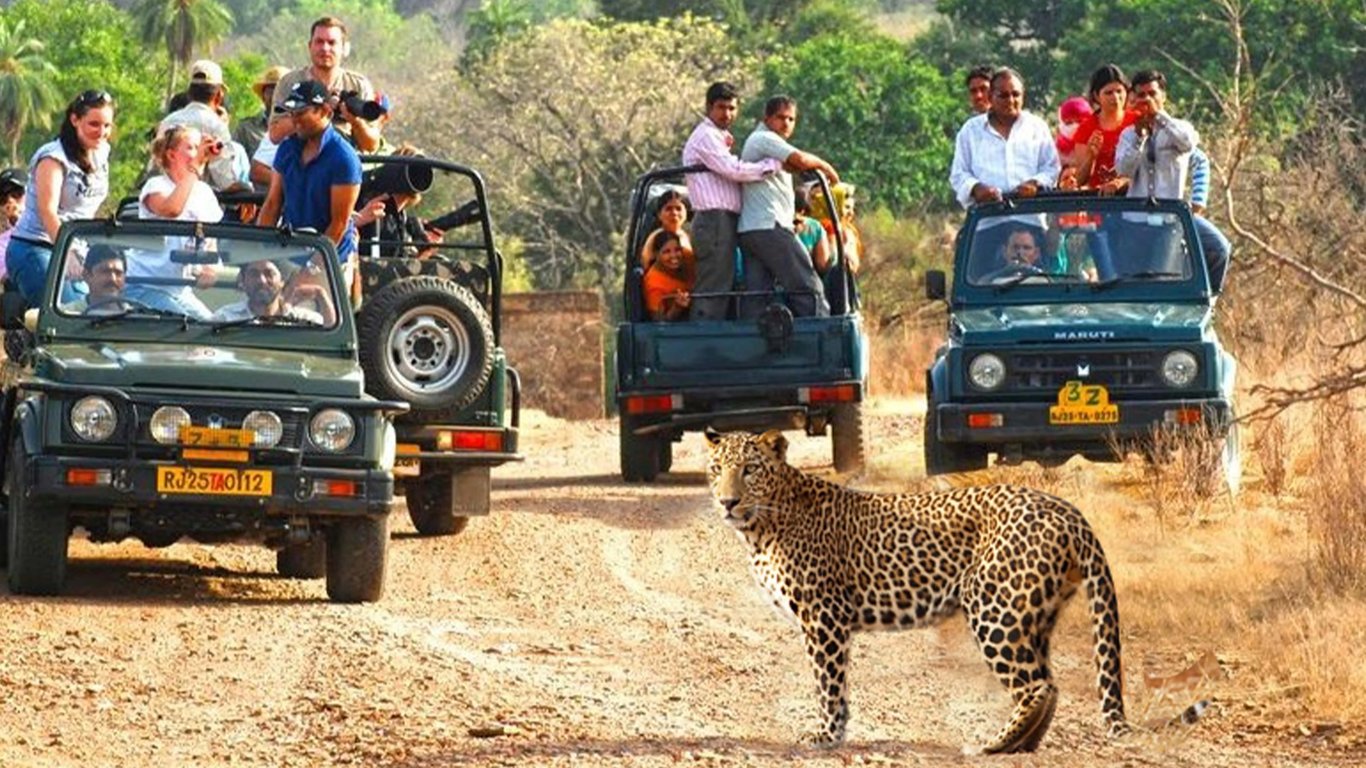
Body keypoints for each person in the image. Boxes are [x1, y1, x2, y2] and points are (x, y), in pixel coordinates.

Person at [1115, 69, 1230, 291]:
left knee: (1217, 248)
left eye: (1152, 94)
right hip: (1135, 221)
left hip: (1169, 220)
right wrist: (1139, 137)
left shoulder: (1178, 128)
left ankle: (1205, 298)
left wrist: (1159, 117)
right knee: (1135, 284)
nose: (1146, 100)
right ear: (1134, 99)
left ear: (1163, 96)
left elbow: (1188, 143)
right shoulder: (1128, 134)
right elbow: (1123, 169)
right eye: (1141, 95)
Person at [681, 81, 783, 321]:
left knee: (726, 283)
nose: (727, 114)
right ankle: (703, 338)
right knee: (713, 287)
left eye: (731, 108)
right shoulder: (705, 136)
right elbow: (733, 170)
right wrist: (770, 166)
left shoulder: (719, 137)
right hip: (714, 220)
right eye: (721, 107)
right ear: (709, 107)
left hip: (724, 221)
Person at [5, 89, 115, 305]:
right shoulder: (53, 157)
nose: (101, 132)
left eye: (107, 125)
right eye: (94, 124)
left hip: (76, 248)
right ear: (75, 120)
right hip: (36, 247)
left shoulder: (102, 152)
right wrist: (67, 251)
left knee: (98, 310)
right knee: (72, 314)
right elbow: (48, 211)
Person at [256, 79, 363, 294]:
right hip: (291, 251)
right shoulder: (288, 148)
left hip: (329, 261)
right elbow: (272, 204)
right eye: (291, 113)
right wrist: (258, 255)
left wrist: (310, 272)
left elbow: (338, 224)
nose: (294, 119)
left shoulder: (343, 158)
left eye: (301, 113)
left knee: (313, 311)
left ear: (325, 111)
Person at [736, 95, 838, 319]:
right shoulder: (764, 138)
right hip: (769, 225)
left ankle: (751, 339)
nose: (786, 124)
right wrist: (827, 168)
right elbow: (801, 160)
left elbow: (794, 165)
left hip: (751, 229)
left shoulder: (765, 144)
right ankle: (822, 332)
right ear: (767, 118)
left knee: (757, 295)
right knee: (807, 286)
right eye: (781, 117)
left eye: (791, 119)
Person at [948, 67, 1058, 264]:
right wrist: (977, 188)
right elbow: (958, 174)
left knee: (1037, 281)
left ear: (1023, 96)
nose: (1010, 100)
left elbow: (1052, 169)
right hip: (987, 222)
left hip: (1030, 223)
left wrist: (1035, 184)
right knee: (978, 279)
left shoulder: (1037, 128)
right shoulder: (971, 131)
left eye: (1016, 94)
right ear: (991, 96)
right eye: (1004, 95)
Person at [132, 125, 224, 318]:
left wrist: (210, 269)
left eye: (199, 147)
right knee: (186, 324)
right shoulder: (156, 185)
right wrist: (194, 168)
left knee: (211, 325)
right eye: (191, 147)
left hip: (180, 290)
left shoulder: (204, 192)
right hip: (145, 283)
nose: (198, 153)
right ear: (171, 155)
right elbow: (171, 209)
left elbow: (210, 241)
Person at [269, 16, 380, 152]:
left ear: (344, 48)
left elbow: (371, 146)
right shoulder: (290, 82)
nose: (325, 48)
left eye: (332, 43)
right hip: (299, 159)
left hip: (342, 159)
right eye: (319, 42)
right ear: (310, 46)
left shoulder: (358, 85)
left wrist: (355, 121)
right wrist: (313, 112)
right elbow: (274, 135)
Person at [158, 60, 243, 193]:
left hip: (166, 198)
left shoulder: (168, 121)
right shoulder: (217, 126)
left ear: (189, 93)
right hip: (200, 200)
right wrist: (244, 188)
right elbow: (224, 179)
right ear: (219, 95)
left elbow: (158, 167)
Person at [1072, 64, 1137, 194]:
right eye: (1108, 93)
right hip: (1098, 200)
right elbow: (1079, 180)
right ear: (1096, 96)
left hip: (1133, 198)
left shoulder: (1137, 122)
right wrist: (1091, 156)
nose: (1115, 97)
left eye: (1119, 91)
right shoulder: (1086, 129)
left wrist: (1121, 182)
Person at [211, 258, 333, 325]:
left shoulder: (305, 320)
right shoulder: (225, 318)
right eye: (254, 274)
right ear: (243, 282)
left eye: (269, 274)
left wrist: (320, 294)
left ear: (282, 281)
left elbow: (332, 341)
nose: (262, 281)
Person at [235, 65, 288, 163]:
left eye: (282, 90)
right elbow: (235, 162)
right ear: (263, 96)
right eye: (271, 90)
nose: (276, 96)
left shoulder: (300, 128)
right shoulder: (246, 128)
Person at [642, 230, 693, 322]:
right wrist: (677, 307)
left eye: (677, 250)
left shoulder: (687, 259)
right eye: (666, 252)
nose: (673, 256)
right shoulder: (653, 283)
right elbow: (659, 322)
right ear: (656, 254)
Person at [638, 188, 693, 273]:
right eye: (669, 209)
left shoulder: (686, 236)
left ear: (686, 213)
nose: (674, 213)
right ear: (659, 215)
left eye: (678, 208)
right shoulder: (656, 237)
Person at [75, 244, 128, 314]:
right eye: (105, 272)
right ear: (87, 275)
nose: (113, 279)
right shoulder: (68, 314)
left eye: (118, 273)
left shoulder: (136, 316)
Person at [1053, 96, 1093, 186]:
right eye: (1069, 123)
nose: (1075, 126)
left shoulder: (1096, 142)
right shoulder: (1056, 149)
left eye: (1080, 121)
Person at [0, 168, 27, 279]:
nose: (10, 201)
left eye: (17, 193)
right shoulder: (2, 244)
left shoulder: (50, 225)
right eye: (3, 198)